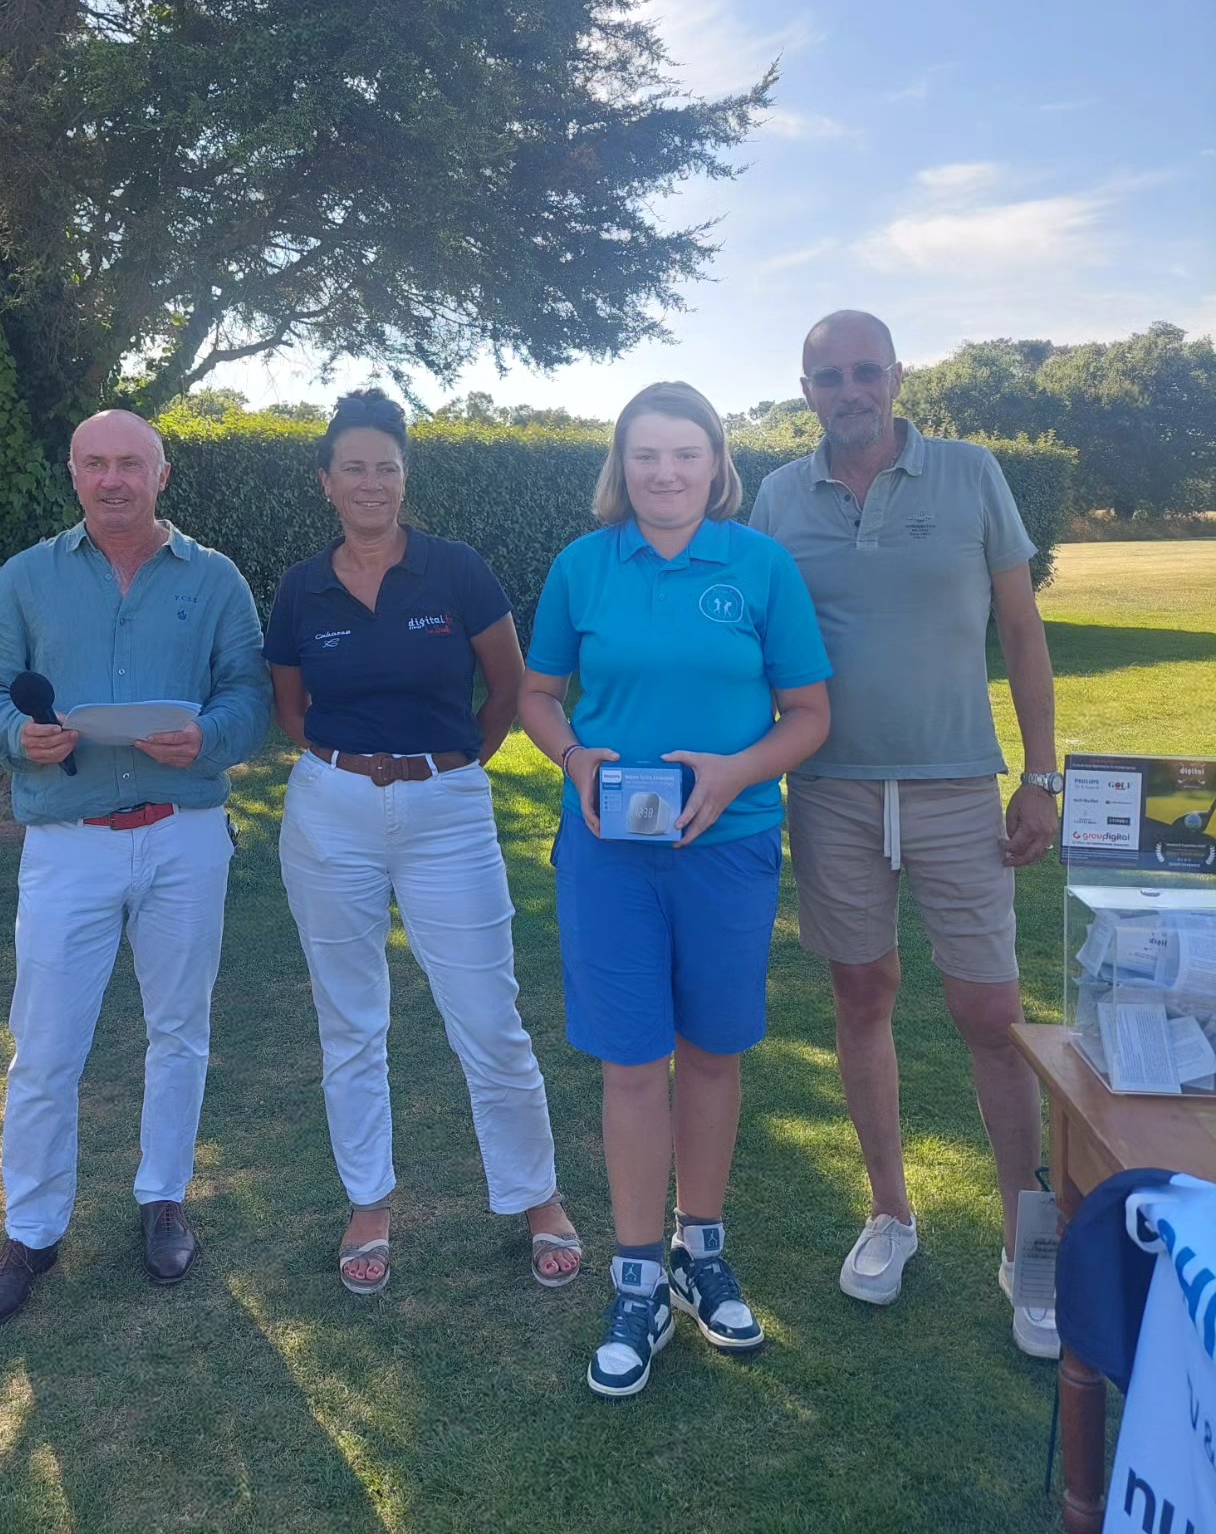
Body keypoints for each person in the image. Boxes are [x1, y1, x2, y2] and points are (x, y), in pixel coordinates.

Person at [748, 309, 1061, 1359]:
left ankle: (1027, 1244)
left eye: (865, 371)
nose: (850, 390)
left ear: (895, 376)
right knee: (861, 995)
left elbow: (1020, 627)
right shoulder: (778, 496)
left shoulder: (971, 473)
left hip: (958, 784)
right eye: (829, 376)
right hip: (830, 789)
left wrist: (1042, 776)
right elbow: (757, 644)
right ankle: (890, 1212)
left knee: (992, 1013)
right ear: (806, 389)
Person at [518, 381, 831, 1399]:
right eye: (645, 454)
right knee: (630, 1063)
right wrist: (572, 756)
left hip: (729, 848)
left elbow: (809, 713)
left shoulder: (760, 565)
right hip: (610, 854)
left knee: (713, 1053)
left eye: (685, 453)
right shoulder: (583, 565)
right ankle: (639, 1278)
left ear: (716, 464)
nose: (665, 472)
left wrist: (736, 773)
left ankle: (703, 1252)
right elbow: (535, 694)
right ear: (621, 465)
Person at [265, 389, 581, 1296]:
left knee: (488, 1014)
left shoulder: (457, 570)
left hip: (449, 811)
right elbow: (291, 708)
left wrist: (448, 767)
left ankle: (536, 1196)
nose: (371, 483)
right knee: (349, 1019)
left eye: (387, 468)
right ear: (326, 481)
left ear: (406, 478)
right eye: (353, 468)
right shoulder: (300, 587)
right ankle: (368, 1203)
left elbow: (509, 688)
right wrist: (355, 768)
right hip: (330, 813)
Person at [0, 409, 270, 1328]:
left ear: (161, 474)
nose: (112, 479)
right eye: (95, 463)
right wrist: (17, 735)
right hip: (69, 842)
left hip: (184, 834)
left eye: (130, 463)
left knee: (180, 1029)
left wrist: (209, 736)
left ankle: (164, 1198)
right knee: (45, 1043)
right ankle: (31, 1230)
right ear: (73, 474)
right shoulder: (25, 579)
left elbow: (249, 694)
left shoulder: (214, 579)